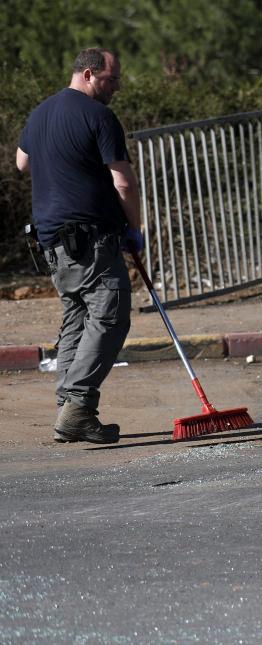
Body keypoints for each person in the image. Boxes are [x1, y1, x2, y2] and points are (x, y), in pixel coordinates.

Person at [15, 47, 144, 444]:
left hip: (52, 239)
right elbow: (123, 182)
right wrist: (135, 228)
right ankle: (78, 406)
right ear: (89, 74)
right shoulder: (98, 116)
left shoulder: (40, 113)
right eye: (111, 79)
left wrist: (62, 166)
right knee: (110, 316)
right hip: (90, 238)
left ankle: (67, 410)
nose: (116, 88)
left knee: (77, 318)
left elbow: (22, 162)